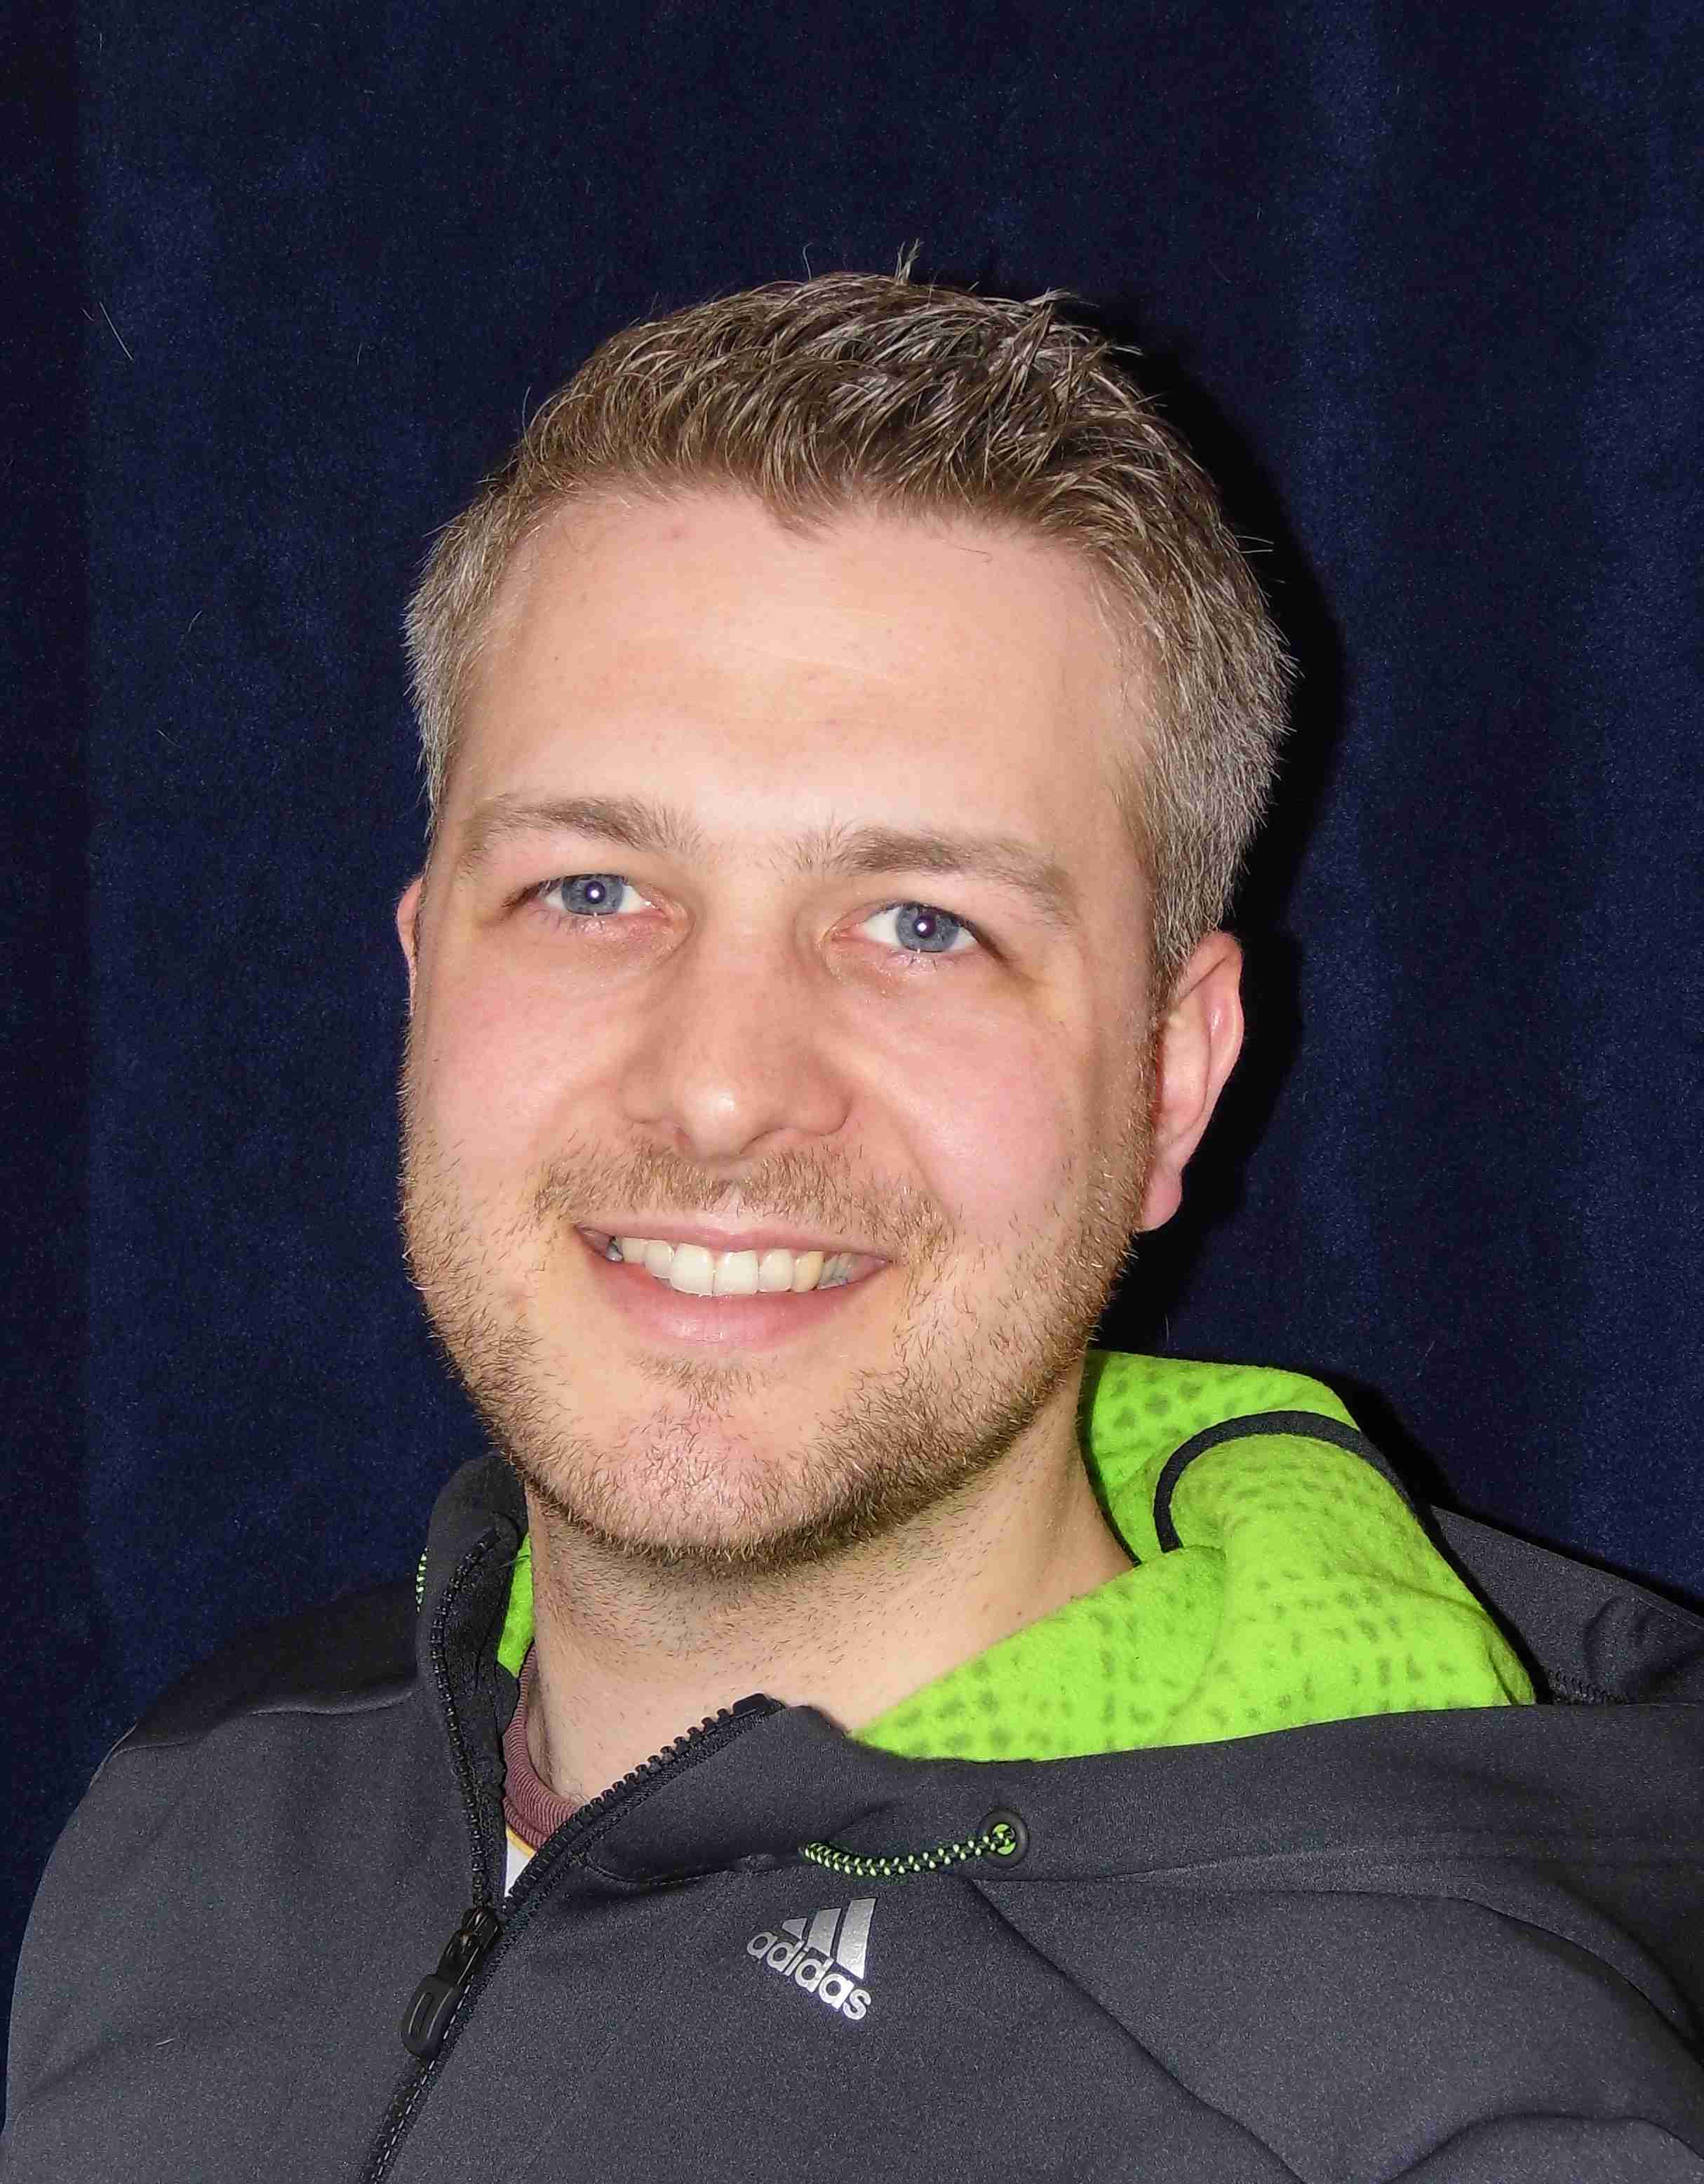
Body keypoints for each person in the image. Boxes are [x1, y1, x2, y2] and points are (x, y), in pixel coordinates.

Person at [6, 271, 1703, 2183]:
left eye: (922, 926)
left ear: (1174, 1076)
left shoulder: (1451, 2119)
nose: (722, 1088)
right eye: (590, 889)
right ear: (423, 978)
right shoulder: (198, 1818)